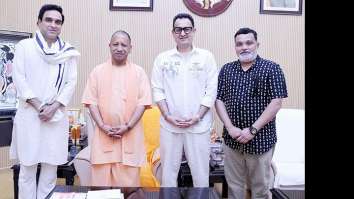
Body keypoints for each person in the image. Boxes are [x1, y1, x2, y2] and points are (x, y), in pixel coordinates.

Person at [9, 4, 80, 199]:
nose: (53, 25)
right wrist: (40, 106)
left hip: (55, 117)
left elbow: (70, 83)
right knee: (27, 170)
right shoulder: (25, 47)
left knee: (50, 169)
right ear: (38, 22)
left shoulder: (68, 52)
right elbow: (19, 78)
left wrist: (53, 107)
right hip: (30, 115)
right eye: (48, 20)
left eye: (58, 21)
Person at [215, 27, 288, 199]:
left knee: (260, 189)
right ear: (235, 47)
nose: (244, 47)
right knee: (234, 188)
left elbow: (276, 102)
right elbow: (218, 100)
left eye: (249, 42)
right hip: (232, 140)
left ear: (257, 44)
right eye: (239, 44)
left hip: (261, 140)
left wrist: (252, 130)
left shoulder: (272, 68)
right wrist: (230, 127)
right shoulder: (227, 70)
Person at [151, 13, 218, 187]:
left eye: (187, 29)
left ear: (194, 31)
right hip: (170, 126)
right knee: (168, 175)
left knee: (201, 175)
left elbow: (211, 91)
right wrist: (167, 116)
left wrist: (198, 116)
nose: (183, 33)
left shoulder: (206, 57)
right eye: (178, 29)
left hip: (198, 126)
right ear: (172, 33)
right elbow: (157, 90)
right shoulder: (162, 59)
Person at [81, 30, 152, 187]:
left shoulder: (139, 73)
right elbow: (91, 102)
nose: (120, 48)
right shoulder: (97, 71)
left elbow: (143, 103)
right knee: (101, 192)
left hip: (130, 139)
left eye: (124, 45)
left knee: (128, 191)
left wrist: (127, 126)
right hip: (103, 139)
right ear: (109, 46)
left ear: (130, 48)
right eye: (116, 44)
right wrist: (103, 126)